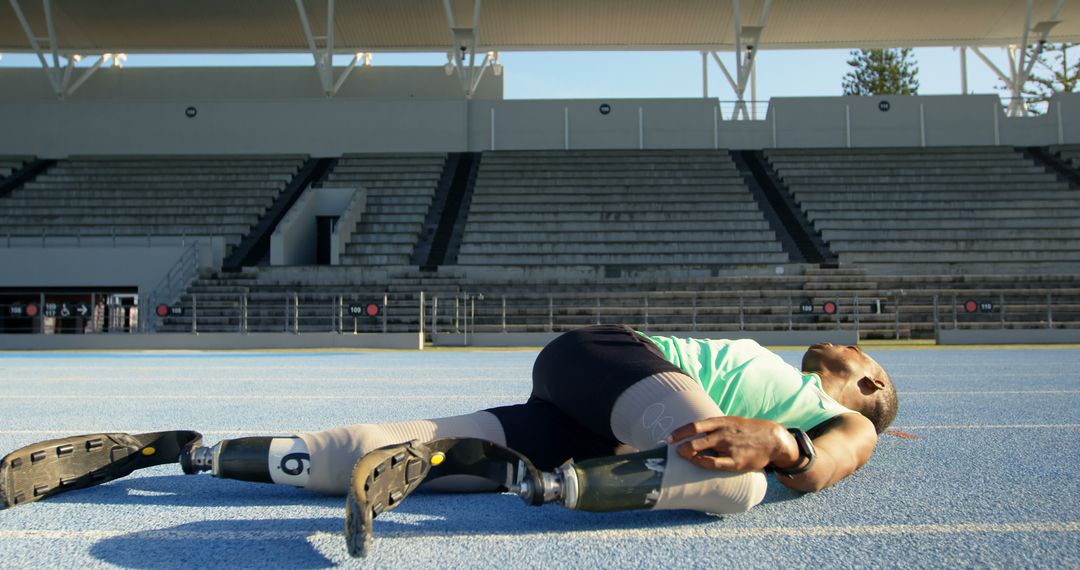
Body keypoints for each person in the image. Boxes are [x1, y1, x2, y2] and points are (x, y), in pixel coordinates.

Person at [0, 325, 897, 556]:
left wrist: (784, 448)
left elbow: (837, 459)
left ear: (868, 394)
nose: (858, 352)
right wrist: (757, 454)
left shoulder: (843, 416)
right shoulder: (761, 376)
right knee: (727, 485)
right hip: (609, 367)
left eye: (874, 367)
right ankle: (536, 486)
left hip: (573, 427)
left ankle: (171, 452)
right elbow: (727, 451)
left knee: (368, 448)